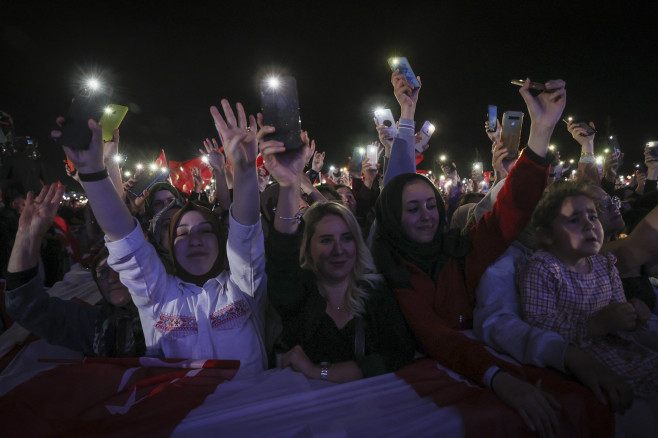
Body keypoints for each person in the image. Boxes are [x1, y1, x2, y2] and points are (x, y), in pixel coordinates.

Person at [373, 75, 600, 437]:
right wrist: (499, 380)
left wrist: (541, 131)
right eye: (412, 208)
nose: (427, 215)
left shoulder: (460, 247)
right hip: (432, 379)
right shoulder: (389, 263)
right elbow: (435, 334)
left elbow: (510, 211)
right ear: (393, 218)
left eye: (431, 205)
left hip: (480, 360)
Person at [53, 100, 268, 376]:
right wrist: (93, 173)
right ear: (169, 246)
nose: (195, 239)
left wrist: (245, 168)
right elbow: (123, 237)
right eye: (182, 233)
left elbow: (246, 231)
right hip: (182, 417)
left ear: (222, 240)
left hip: (252, 413)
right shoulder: (157, 294)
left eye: (205, 231)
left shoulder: (245, 287)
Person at [259, 116, 414, 383]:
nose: (339, 249)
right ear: (308, 247)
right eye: (326, 240)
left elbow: (397, 354)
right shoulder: (298, 292)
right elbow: (282, 251)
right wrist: (287, 184)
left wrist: (319, 372)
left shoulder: (375, 292)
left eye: (347, 238)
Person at [518, 180, 658, 433]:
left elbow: (619, 312)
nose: (589, 224)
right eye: (573, 219)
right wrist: (595, 325)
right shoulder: (544, 268)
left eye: (592, 215)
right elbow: (538, 325)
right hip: (584, 363)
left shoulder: (605, 264)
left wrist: (635, 315)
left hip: (624, 351)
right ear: (546, 234)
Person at [5, 183, 145, 357]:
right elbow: (26, 306)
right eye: (102, 272)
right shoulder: (95, 325)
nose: (110, 279)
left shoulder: (171, 313)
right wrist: (27, 236)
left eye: (118, 268)